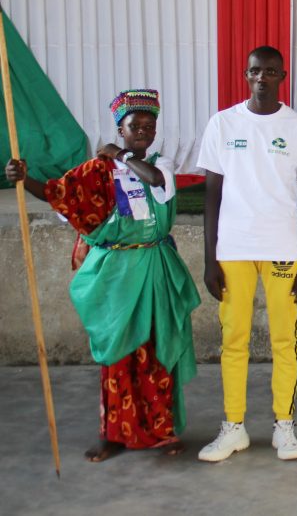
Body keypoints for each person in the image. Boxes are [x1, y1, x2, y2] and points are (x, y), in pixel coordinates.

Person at [5, 89, 200, 462]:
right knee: (118, 353)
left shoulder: (162, 163)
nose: (143, 131)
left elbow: (155, 181)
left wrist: (122, 156)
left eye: (149, 126)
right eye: (134, 126)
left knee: (157, 351)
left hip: (153, 268)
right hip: (114, 274)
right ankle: (112, 434)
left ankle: (162, 431)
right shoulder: (97, 170)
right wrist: (24, 178)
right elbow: (59, 194)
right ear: (119, 129)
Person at [197, 46, 297, 462]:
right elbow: (211, 197)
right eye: (255, 71)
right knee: (233, 339)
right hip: (233, 248)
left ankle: (284, 427)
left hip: (283, 248)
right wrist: (209, 259)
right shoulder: (223, 123)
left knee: (284, 339)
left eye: (270, 71)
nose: (262, 78)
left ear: (282, 77)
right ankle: (233, 427)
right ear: (246, 75)